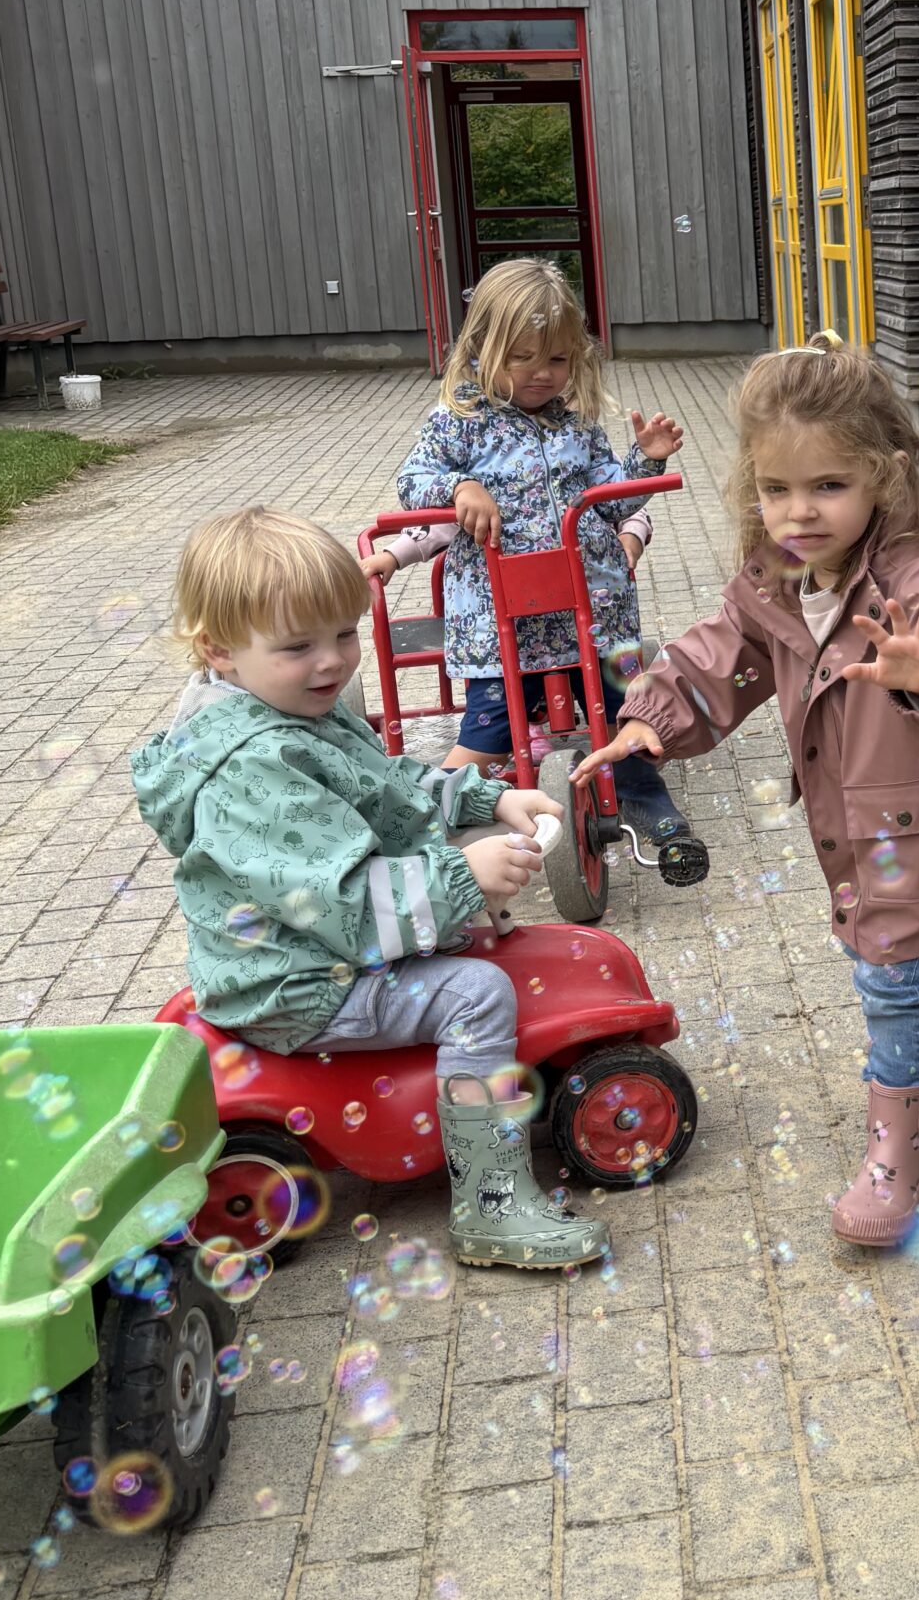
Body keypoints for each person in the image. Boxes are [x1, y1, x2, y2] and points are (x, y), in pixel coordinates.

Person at [574, 335, 919, 1246]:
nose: (799, 512)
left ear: (883, 477)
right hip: (855, 816)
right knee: (892, 945)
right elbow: (721, 652)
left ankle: (896, 1154)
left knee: (886, 965)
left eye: (827, 486)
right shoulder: (776, 577)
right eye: (776, 489)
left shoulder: (918, 576)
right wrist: (654, 715)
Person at [131, 506, 610, 1270]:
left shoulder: (289, 711)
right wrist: (462, 877)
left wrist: (485, 800)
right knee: (478, 994)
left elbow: (384, 787)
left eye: (345, 634)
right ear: (219, 649)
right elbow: (339, 904)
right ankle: (492, 1205)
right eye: (298, 646)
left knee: (473, 947)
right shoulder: (258, 766)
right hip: (300, 980)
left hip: (301, 952)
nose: (332, 663)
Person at [394, 257, 706, 873]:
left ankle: (653, 808)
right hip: (504, 620)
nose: (543, 374)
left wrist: (642, 463)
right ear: (482, 349)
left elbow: (611, 500)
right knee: (490, 730)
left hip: (593, 609)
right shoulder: (460, 421)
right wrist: (459, 487)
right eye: (523, 358)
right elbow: (412, 480)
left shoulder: (576, 424)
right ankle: (414, 824)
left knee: (624, 712)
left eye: (558, 359)